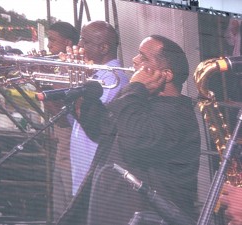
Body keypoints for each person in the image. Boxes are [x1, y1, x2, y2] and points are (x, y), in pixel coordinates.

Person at [57, 35, 200, 225]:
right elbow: (101, 129)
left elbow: (136, 141)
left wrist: (135, 87)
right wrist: (82, 83)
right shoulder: (140, 102)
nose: (134, 60)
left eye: (143, 58)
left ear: (166, 74)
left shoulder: (179, 114)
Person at [69, 20, 129, 196]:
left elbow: (94, 123)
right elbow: (69, 118)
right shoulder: (95, 74)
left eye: (85, 41)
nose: (79, 45)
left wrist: (79, 81)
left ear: (103, 48)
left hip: (96, 175)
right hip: (82, 173)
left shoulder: (113, 78)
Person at [44, 21, 80, 220]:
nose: (48, 45)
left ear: (67, 43)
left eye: (52, 40)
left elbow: (66, 119)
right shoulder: (60, 70)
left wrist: (43, 86)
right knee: (59, 211)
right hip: (61, 149)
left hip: (71, 152)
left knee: (68, 211)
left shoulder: (73, 72)